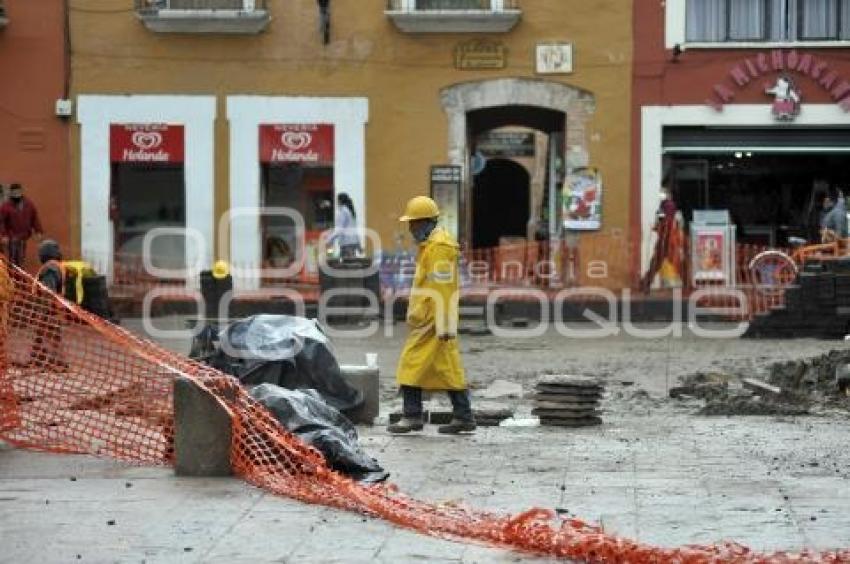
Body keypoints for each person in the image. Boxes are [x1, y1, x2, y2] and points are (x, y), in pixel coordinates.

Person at [387, 196, 475, 435]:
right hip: (431, 319)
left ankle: (412, 415)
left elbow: (443, 289)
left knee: (409, 364)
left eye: (414, 224)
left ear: (427, 222)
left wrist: (444, 323)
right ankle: (464, 416)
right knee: (448, 368)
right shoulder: (432, 246)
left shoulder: (438, 248)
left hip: (432, 321)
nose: (411, 229)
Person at [640, 185, 685, 293]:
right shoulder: (666, 208)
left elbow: (660, 222)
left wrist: (657, 226)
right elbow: (662, 222)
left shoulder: (665, 207)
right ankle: (646, 283)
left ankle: (646, 283)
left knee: (659, 262)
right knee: (674, 262)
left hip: (668, 240)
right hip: (669, 240)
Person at [30, 239, 67, 370]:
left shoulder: (50, 268)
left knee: (51, 337)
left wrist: (43, 311)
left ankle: (57, 364)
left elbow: (48, 290)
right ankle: (37, 360)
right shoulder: (56, 266)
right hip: (53, 309)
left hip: (49, 310)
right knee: (42, 336)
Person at [0, 183, 43, 269]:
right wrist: (4, 235)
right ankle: (13, 276)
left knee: (20, 257)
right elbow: (2, 222)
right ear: (11, 193)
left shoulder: (29, 204)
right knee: (13, 259)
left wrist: (38, 231)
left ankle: (17, 274)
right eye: (14, 193)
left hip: (23, 236)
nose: (16, 194)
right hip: (12, 237)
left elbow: (34, 217)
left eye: (18, 192)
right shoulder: (6, 206)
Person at [326, 192, 361, 259]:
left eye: (337, 200)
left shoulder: (343, 211)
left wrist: (329, 239)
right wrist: (358, 245)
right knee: (350, 262)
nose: (336, 202)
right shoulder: (351, 211)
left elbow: (339, 229)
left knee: (347, 265)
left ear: (340, 201)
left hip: (346, 243)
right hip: (352, 242)